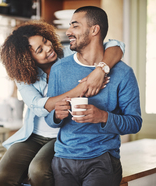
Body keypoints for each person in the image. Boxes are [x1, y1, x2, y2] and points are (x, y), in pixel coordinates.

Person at [0, 19, 125, 186]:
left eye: (46, 41)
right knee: (1, 176)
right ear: (27, 59)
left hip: (63, 135)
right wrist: (83, 87)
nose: (48, 48)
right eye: (40, 50)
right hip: (34, 135)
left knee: (38, 170)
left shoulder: (72, 55)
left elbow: (116, 45)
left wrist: (100, 70)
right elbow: (40, 106)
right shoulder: (23, 76)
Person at [45, 6, 142, 186]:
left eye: (75, 26)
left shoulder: (123, 73)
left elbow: (135, 123)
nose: (68, 32)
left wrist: (102, 116)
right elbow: (49, 119)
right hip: (63, 160)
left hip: (102, 160)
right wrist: (56, 115)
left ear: (94, 30)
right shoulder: (59, 69)